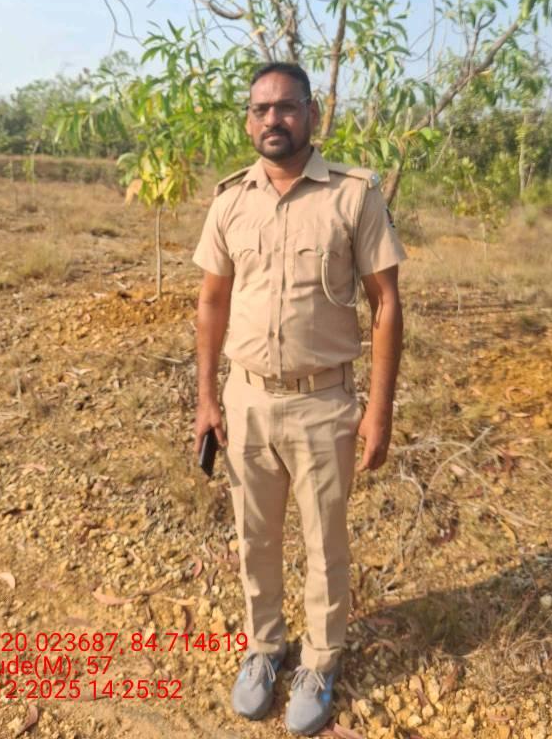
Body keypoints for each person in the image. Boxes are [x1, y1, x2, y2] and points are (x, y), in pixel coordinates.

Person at [192, 62, 405, 736]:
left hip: (324, 405)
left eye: (286, 107)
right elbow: (211, 301)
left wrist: (379, 410)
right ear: (248, 121)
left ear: (313, 114)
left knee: (324, 543)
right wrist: (206, 398)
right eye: (260, 109)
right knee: (254, 538)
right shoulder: (230, 201)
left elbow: (386, 303)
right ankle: (264, 647)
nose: (273, 119)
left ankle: (319, 660)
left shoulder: (353, 195)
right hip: (247, 401)